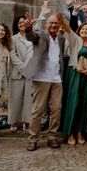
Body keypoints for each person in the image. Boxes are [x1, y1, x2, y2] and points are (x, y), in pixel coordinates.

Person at [22, 8, 67, 151]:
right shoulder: (40, 36)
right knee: (38, 109)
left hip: (56, 78)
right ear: (46, 25)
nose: (53, 25)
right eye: (51, 23)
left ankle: (52, 136)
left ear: (59, 25)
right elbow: (30, 36)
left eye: (56, 23)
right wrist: (28, 28)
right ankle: (33, 138)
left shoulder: (61, 39)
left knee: (56, 108)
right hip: (41, 77)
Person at [60, 20, 87, 146]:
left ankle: (80, 131)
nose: (85, 31)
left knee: (84, 103)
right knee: (73, 102)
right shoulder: (76, 40)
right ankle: (70, 132)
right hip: (75, 74)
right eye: (83, 29)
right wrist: (61, 20)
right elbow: (68, 29)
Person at [8, 15, 34, 132]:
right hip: (17, 73)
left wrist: (30, 70)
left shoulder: (32, 37)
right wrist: (24, 69)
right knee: (16, 98)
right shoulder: (13, 38)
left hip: (31, 73)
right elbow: (13, 56)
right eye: (19, 23)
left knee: (29, 98)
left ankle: (26, 121)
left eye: (24, 22)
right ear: (16, 26)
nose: (22, 24)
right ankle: (13, 122)